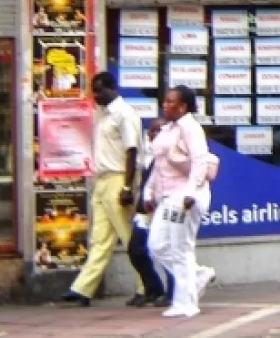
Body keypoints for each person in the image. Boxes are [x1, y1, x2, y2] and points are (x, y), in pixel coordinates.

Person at [62, 72, 141, 307]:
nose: (96, 95)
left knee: (128, 236)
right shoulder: (103, 114)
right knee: (100, 238)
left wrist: (127, 186)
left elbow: (132, 151)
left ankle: (146, 285)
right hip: (103, 179)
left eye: (100, 90)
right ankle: (83, 288)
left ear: (113, 88)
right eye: (93, 91)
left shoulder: (124, 114)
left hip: (118, 178)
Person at [144, 86, 218, 318]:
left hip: (184, 195)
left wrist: (190, 193)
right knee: (156, 245)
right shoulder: (168, 128)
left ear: (183, 106)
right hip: (166, 196)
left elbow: (200, 161)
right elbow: (158, 165)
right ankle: (197, 276)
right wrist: (149, 193)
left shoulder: (191, 127)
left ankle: (186, 303)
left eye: (170, 102)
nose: (165, 105)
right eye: (165, 101)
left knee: (181, 248)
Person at [126, 118, 173, 308]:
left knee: (166, 251)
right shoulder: (147, 155)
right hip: (145, 211)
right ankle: (153, 288)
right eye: (153, 131)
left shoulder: (170, 154)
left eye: (160, 130)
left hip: (163, 208)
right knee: (135, 249)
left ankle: (173, 292)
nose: (156, 134)